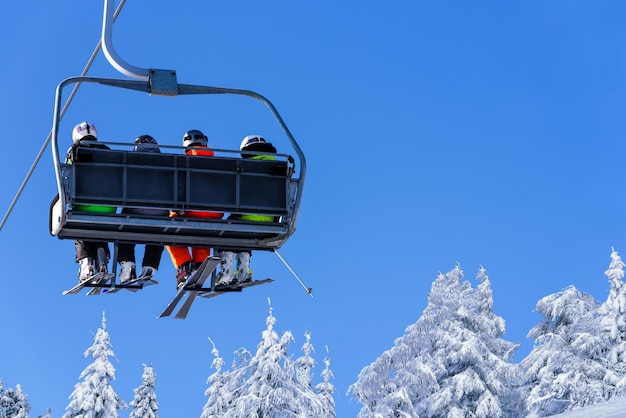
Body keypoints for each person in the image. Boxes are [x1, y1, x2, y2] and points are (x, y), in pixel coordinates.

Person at [217, 134, 279, 287]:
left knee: (224, 230)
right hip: (270, 223)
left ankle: (227, 272)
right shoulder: (279, 168)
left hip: (247, 217)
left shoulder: (244, 168)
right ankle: (244, 270)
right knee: (243, 230)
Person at [165, 130, 224, 290]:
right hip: (214, 215)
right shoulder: (223, 165)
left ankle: (184, 265)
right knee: (201, 232)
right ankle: (200, 263)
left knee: (170, 228)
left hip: (190, 213)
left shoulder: (181, 163)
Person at [66, 122, 115, 282]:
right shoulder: (108, 152)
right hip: (108, 208)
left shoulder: (74, 152)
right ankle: (102, 259)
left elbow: (67, 177)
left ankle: (87, 263)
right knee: (101, 228)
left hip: (83, 205)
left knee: (81, 231)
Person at [117, 135, 169, 283]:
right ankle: (150, 267)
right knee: (159, 232)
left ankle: (128, 264)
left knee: (123, 229)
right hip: (160, 215)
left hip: (134, 213)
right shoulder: (170, 166)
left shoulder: (130, 163)